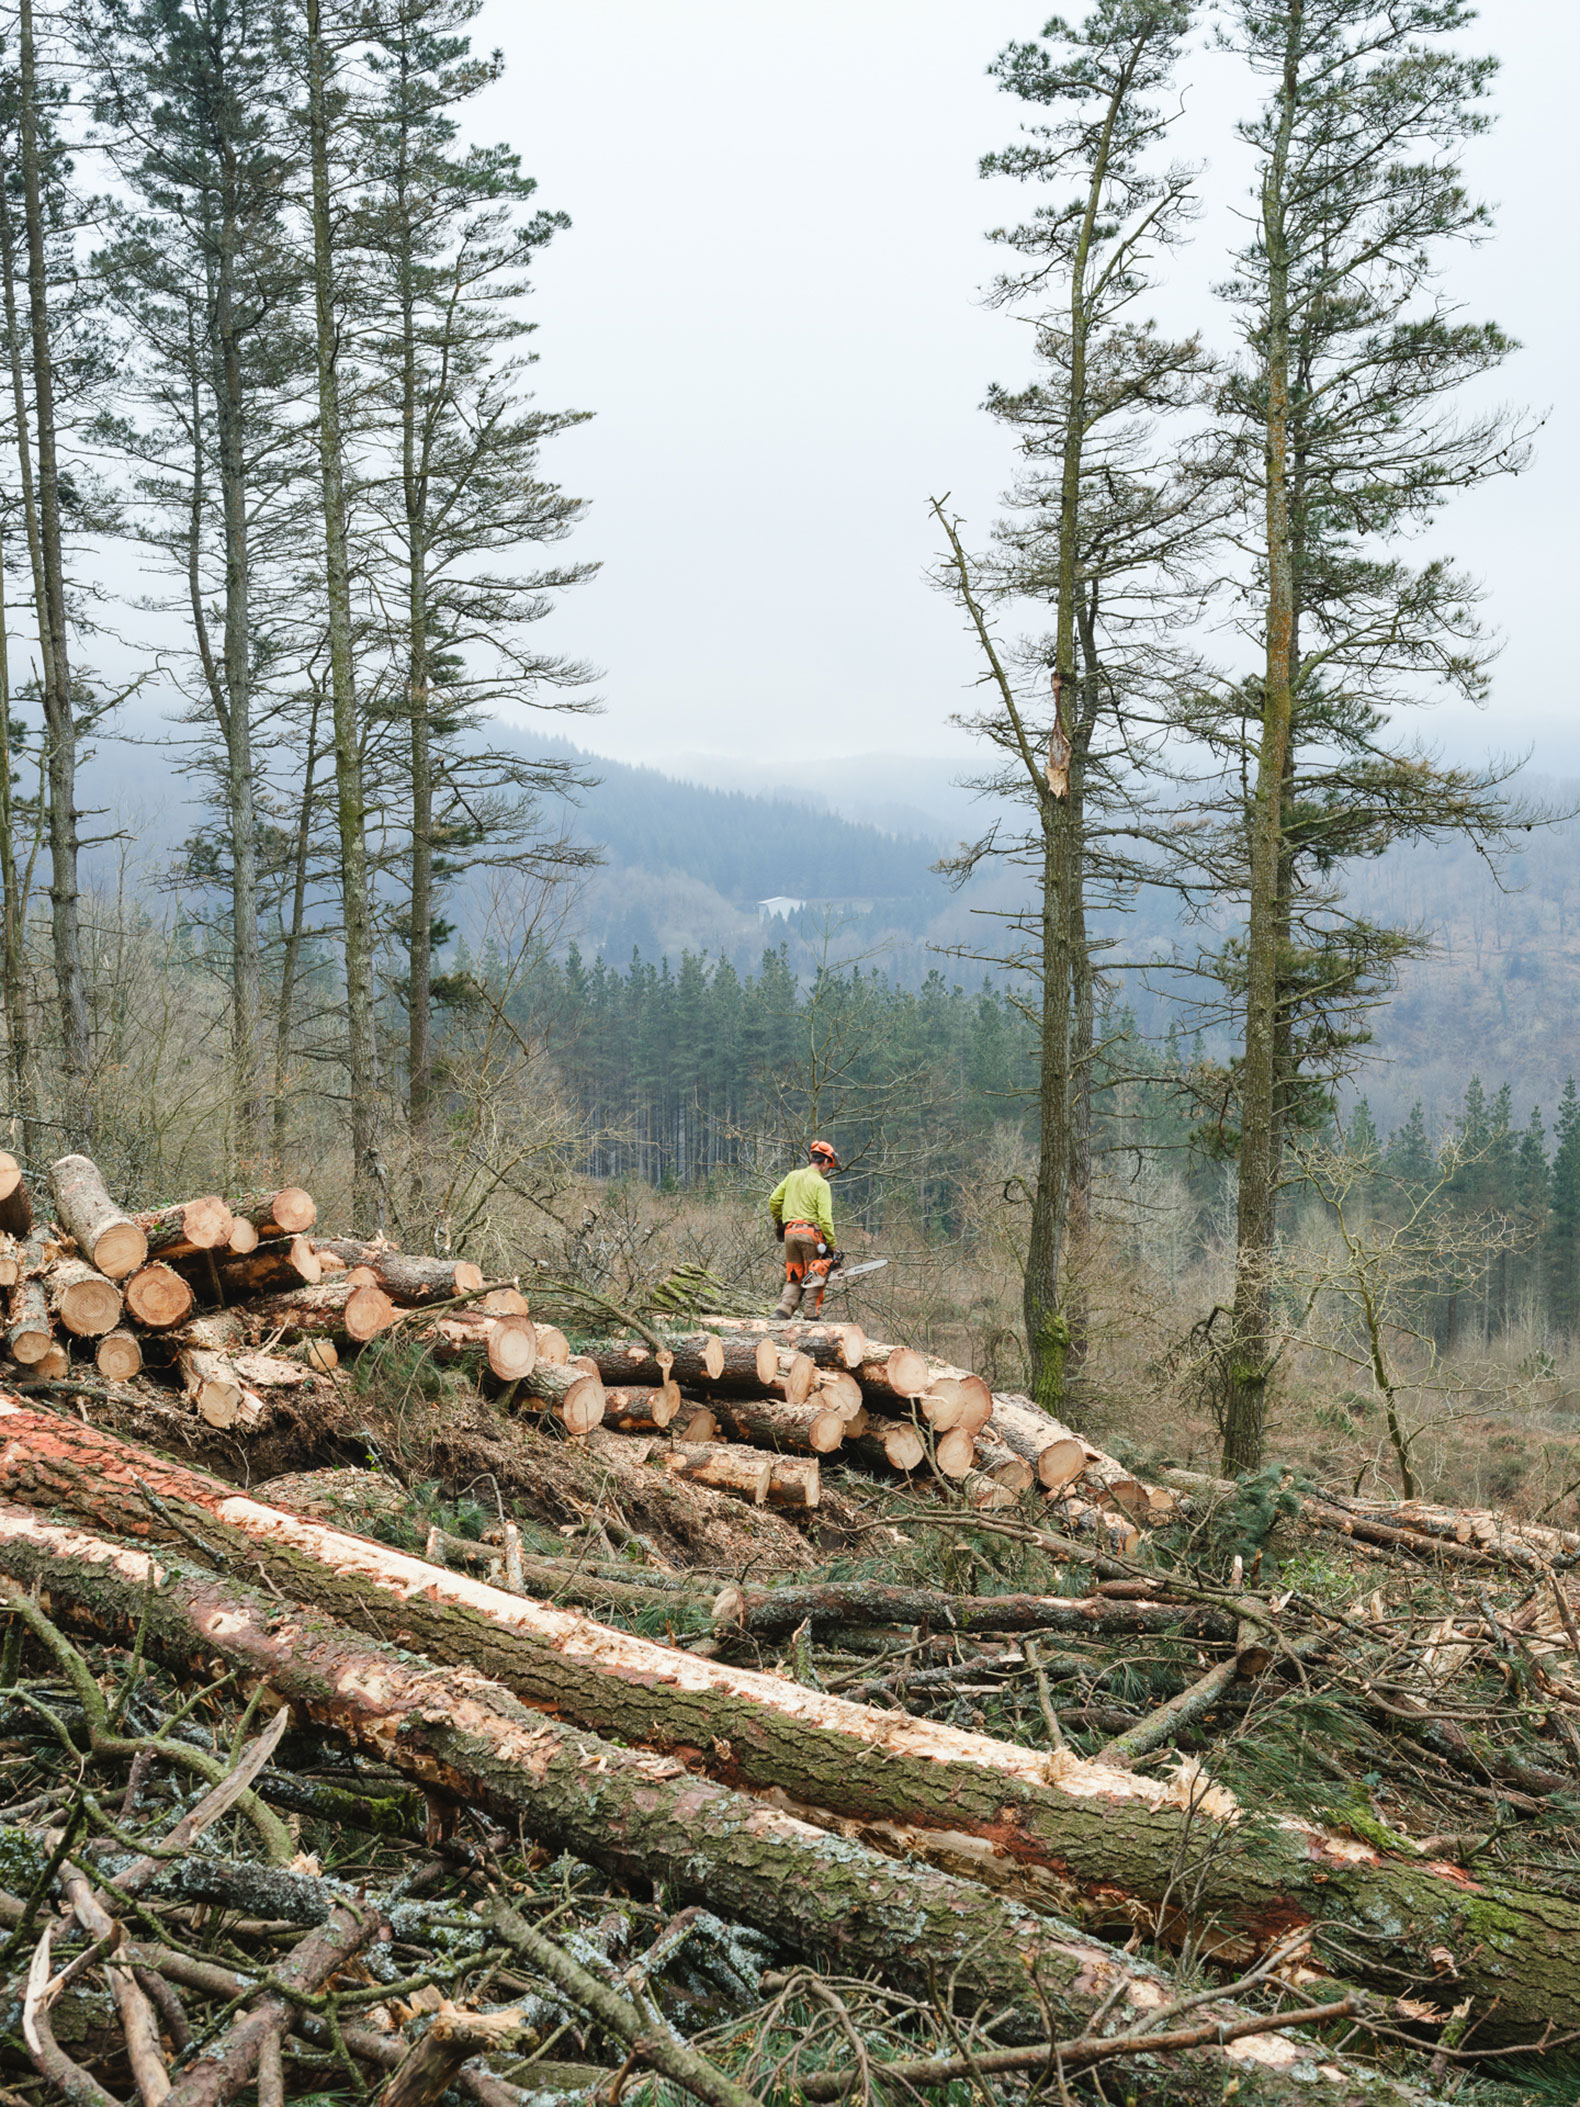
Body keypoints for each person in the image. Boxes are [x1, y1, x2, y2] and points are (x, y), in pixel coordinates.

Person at [768, 1139, 841, 1318]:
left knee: (795, 1276)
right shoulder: (822, 1184)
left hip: (790, 1234)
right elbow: (825, 1219)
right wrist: (832, 1244)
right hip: (811, 1235)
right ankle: (811, 1317)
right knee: (817, 1274)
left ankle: (782, 1311)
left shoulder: (793, 1176)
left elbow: (773, 1200)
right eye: (828, 1166)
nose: (827, 1169)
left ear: (811, 1158)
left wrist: (780, 1224)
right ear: (825, 1162)